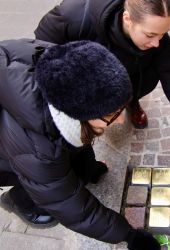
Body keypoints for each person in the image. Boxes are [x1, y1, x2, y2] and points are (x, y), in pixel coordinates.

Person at [0, 39, 160, 250]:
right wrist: (129, 235)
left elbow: (76, 136)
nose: (121, 121)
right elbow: (69, 205)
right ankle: (19, 201)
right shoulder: (39, 149)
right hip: (9, 154)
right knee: (39, 185)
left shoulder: (66, 67)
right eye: (111, 114)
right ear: (77, 115)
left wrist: (88, 168)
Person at [34, 0, 170, 136]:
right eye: (150, 35)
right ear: (127, 19)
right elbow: (41, 46)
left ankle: (131, 102)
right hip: (89, 75)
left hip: (134, 74)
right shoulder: (74, 14)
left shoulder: (157, 38)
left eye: (163, 34)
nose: (157, 43)